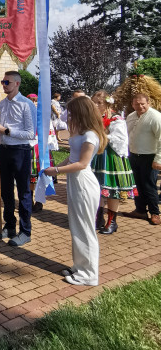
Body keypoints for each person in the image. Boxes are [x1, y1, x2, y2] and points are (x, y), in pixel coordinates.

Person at [44, 96, 107, 286]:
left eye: (71, 112)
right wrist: (54, 168)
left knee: (85, 228)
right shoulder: (80, 131)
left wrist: (55, 171)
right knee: (76, 226)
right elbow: (72, 159)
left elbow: (81, 164)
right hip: (75, 181)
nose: (68, 115)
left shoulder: (90, 135)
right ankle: (80, 266)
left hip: (84, 183)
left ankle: (89, 274)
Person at [0, 71, 36, 246]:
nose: (3, 85)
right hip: (4, 149)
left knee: (24, 191)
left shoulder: (26, 105)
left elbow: (31, 133)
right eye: (2, 82)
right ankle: (9, 224)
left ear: (17, 83)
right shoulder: (1, 104)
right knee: (6, 190)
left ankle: (25, 231)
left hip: (21, 150)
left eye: (6, 82)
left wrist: (6, 130)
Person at [91, 90, 136, 235]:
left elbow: (120, 138)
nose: (96, 105)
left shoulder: (116, 118)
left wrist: (102, 135)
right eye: (94, 102)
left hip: (111, 156)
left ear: (107, 104)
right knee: (96, 189)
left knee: (111, 190)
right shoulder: (93, 117)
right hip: (97, 155)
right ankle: (98, 218)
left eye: (99, 103)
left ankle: (112, 221)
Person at [126, 93, 161, 225]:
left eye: (142, 104)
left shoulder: (156, 117)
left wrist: (159, 159)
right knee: (137, 185)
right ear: (132, 104)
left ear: (148, 103)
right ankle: (140, 210)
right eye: (136, 104)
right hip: (134, 156)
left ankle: (155, 213)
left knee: (149, 186)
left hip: (150, 157)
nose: (140, 106)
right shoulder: (131, 116)